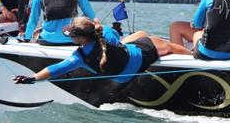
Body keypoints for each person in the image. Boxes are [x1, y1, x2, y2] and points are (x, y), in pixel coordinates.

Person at [12, 17, 189, 85]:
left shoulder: (79, 57)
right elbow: (114, 38)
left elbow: (56, 69)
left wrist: (32, 78)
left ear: (79, 39)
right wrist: (98, 24)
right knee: (163, 43)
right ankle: (192, 55)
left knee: (141, 34)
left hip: (121, 77)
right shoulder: (106, 36)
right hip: (138, 59)